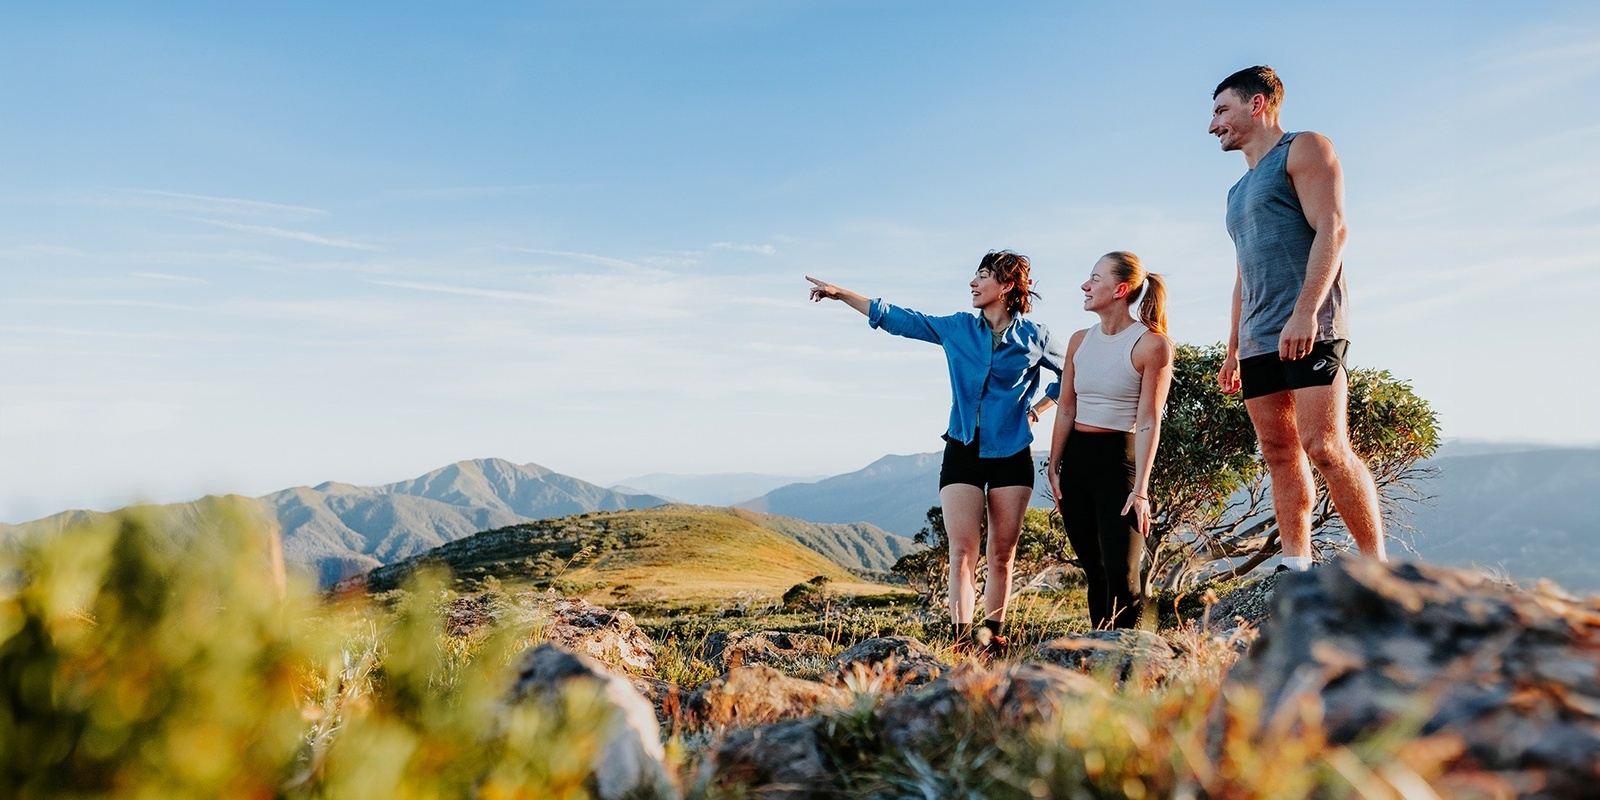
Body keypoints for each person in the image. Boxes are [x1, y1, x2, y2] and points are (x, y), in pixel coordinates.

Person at [806, 251, 1064, 655]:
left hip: (1012, 452)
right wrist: (841, 296)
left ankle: (993, 637)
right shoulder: (958, 328)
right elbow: (900, 318)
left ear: (1007, 286)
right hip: (962, 448)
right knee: (962, 550)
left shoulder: (1036, 336)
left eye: (982, 276)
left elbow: (1071, 376)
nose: (972, 284)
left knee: (1002, 553)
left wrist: (1037, 408)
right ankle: (961, 643)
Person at [1208, 65, 1387, 570]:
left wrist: (1305, 311)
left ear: (1257, 104)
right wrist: (1233, 347)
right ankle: (1295, 566)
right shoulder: (1236, 192)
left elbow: (1333, 229)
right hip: (1258, 335)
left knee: (1325, 446)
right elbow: (1244, 271)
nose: (1212, 124)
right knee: (1279, 452)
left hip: (1312, 324)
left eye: (1222, 110)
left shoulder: (1305, 148)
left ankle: (1377, 569)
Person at [1046, 252, 1173, 630]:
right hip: (1077, 463)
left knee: (1122, 573)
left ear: (1120, 290)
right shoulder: (1078, 341)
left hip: (1120, 464)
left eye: (1094, 279)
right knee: (1096, 571)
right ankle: (1098, 662)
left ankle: (1130, 665)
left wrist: (1142, 490)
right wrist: (1054, 466)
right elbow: (1066, 407)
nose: (1085, 286)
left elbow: (1150, 421)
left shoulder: (1152, 345)